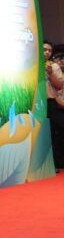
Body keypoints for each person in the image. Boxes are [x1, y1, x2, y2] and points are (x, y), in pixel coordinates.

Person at [47, 41, 64, 171]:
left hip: (52, 102)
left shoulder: (54, 67)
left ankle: (58, 163)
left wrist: (50, 73)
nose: (47, 52)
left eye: (49, 50)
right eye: (44, 50)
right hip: (38, 103)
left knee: (57, 131)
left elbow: (58, 86)